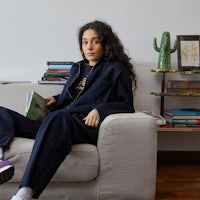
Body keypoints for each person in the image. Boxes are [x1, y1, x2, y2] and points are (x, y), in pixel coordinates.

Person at [0, 20, 136, 200]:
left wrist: (100, 110)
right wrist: (54, 100)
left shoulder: (115, 69)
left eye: (95, 41)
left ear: (106, 43)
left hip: (83, 124)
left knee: (59, 117)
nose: (89, 47)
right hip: (58, 122)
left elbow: (126, 104)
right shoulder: (77, 67)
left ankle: (26, 193)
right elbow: (72, 97)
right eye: (85, 42)